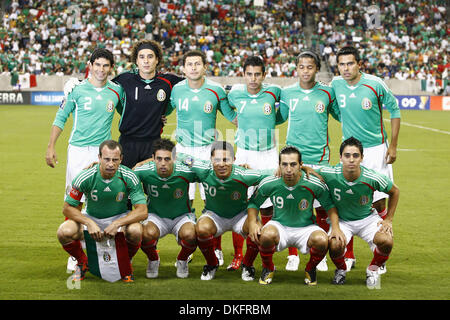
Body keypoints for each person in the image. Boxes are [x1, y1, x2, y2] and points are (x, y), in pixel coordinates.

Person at [45, 48, 126, 272]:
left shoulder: (116, 91)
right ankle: (75, 251)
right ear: (90, 65)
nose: (101, 69)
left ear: (111, 68)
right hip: (78, 151)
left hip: (102, 153)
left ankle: (97, 245)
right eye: (97, 64)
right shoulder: (76, 90)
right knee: (75, 199)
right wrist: (51, 146)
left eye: (105, 65)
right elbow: (61, 117)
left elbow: (129, 113)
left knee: (99, 198)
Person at [331, 45, 401, 272]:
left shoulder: (375, 83)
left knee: (379, 201)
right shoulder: (336, 84)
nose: (346, 68)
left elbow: (395, 111)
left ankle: (379, 254)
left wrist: (393, 145)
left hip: (375, 150)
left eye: (350, 63)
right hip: (350, 151)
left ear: (359, 64)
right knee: (347, 200)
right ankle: (349, 255)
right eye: (341, 64)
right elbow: (334, 109)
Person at [225, 55, 295, 272]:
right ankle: (239, 257)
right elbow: (227, 108)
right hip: (244, 155)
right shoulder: (236, 93)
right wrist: (237, 120)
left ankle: (276, 249)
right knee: (241, 205)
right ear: (243, 74)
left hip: (268, 154)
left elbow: (283, 114)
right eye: (249, 74)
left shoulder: (273, 91)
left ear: (264, 75)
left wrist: (270, 120)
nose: (253, 78)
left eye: (257, 74)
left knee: (271, 203)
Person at [166, 50, 236, 266]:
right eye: (190, 64)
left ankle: (215, 249)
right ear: (183, 68)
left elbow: (232, 116)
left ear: (205, 67)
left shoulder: (215, 90)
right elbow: (161, 112)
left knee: (213, 200)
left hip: (208, 152)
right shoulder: (176, 90)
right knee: (183, 200)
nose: (194, 67)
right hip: (184, 152)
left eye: (198, 63)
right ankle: (187, 248)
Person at [279, 50, 340, 272]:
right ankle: (293, 255)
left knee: (321, 207)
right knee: (292, 205)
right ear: (297, 68)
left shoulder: (327, 93)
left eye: (310, 67)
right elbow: (280, 117)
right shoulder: (287, 93)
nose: (306, 71)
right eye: (302, 67)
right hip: (293, 159)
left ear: (317, 69)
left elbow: (340, 114)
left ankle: (319, 253)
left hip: (320, 159)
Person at [177, 141, 274, 281]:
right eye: (217, 160)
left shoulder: (244, 174)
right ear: (211, 160)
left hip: (240, 216)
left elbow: (271, 173)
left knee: (258, 231)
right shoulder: (204, 169)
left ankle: (247, 265)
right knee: (201, 229)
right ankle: (211, 264)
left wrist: (302, 168)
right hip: (214, 216)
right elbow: (178, 155)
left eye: (226, 159)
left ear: (234, 160)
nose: (221, 164)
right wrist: (152, 159)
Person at [56, 140, 148, 282]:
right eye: (106, 159)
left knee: (136, 230)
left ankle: (125, 263)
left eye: (115, 160)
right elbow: (67, 208)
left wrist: (117, 223)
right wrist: (89, 222)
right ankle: (82, 262)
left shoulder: (129, 176)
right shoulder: (85, 176)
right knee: (64, 231)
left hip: (118, 220)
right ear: (99, 158)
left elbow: (142, 211)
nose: (111, 164)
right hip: (92, 218)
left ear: (121, 159)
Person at [246, 146, 338, 286]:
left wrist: (335, 227)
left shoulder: (313, 183)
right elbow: (253, 203)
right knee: (265, 235)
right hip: (279, 226)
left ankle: (310, 269)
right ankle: (268, 267)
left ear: (301, 165)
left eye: (293, 164)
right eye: (284, 164)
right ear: (279, 165)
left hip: (306, 228)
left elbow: (330, 206)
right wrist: (253, 222)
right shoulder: (270, 181)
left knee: (322, 240)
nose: (288, 169)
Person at [320, 137, 399, 288]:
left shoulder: (371, 177)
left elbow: (395, 191)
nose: (351, 159)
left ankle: (373, 270)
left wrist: (388, 219)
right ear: (340, 157)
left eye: (356, 156)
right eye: (347, 155)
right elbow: (309, 171)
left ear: (362, 158)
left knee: (387, 241)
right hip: (342, 221)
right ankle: (341, 270)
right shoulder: (330, 172)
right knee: (334, 244)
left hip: (367, 220)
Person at [113, 39, 184, 169]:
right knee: (125, 186)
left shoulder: (167, 81)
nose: (146, 61)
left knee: (151, 187)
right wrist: (74, 83)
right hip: (127, 143)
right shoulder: (124, 79)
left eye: (150, 56)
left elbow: (193, 83)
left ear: (157, 59)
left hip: (153, 143)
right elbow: (101, 87)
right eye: (142, 57)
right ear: (136, 61)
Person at [133, 138, 199, 279]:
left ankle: (182, 260)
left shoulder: (186, 171)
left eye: (167, 159)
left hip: (182, 216)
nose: (163, 163)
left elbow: (208, 170)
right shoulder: (143, 171)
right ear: (152, 158)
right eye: (159, 159)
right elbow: (123, 176)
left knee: (192, 235)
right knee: (145, 234)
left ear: (174, 158)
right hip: (155, 216)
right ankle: (153, 260)